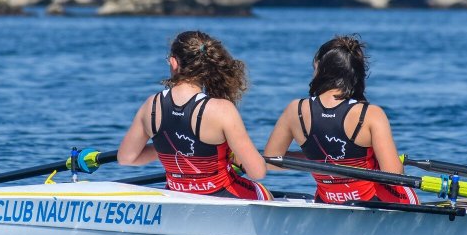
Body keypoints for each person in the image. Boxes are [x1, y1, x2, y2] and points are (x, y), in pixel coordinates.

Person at [263, 35, 418, 205]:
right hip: (374, 202)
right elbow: (394, 176)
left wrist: (318, 158)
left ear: (320, 67)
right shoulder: (370, 114)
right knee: (406, 188)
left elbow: (272, 161)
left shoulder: (295, 110)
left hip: (327, 201)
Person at [118, 30, 271, 200]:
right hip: (222, 194)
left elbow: (126, 158)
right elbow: (258, 172)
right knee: (264, 192)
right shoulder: (221, 109)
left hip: (177, 194)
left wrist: (170, 148)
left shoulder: (151, 105)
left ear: (174, 63)